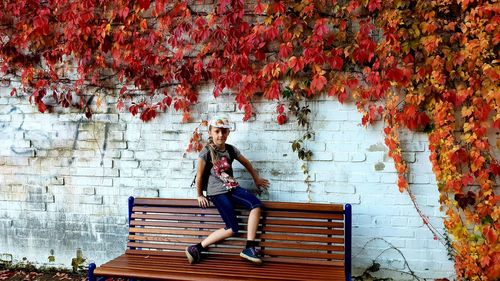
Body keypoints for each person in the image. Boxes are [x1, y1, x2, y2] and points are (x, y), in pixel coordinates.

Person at [185, 116, 270, 265]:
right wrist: (199, 195)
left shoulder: (230, 149)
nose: (220, 135)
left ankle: (249, 248)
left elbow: (246, 162)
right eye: (217, 131)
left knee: (256, 205)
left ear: (228, 133)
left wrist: (256, 178)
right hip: (216, 192)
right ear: (210, 132)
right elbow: (199, 177)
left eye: (224, 132)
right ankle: (196, 248)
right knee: (232, 229)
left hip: (232, 188)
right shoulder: (205, 152)